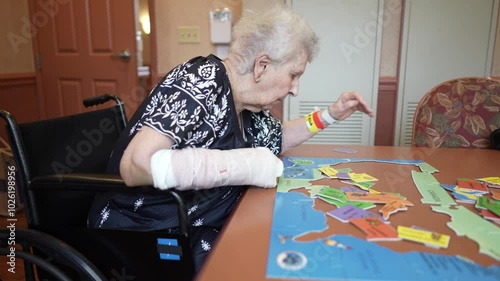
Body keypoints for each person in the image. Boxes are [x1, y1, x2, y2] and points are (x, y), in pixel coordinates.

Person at [87, 4, 375, 273]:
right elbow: (136, 164)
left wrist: (331, 115)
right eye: (294, 75)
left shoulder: (246, 106)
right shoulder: (201, 78)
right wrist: (240, 164)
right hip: (147, 232)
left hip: (197, 224)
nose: (295, 89)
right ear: (262, 65)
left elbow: (279, 138)